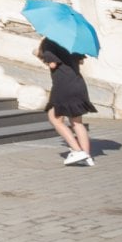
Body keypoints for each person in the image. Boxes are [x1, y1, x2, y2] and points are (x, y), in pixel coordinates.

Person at [39, 38, 96, 166]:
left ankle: (77, 150)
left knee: (55, 119)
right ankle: (87, 156)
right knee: (77, 122)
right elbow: (80, 61)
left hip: (63, 85)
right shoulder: (74, 41)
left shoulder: (49, 42)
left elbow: (52, 64)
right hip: (77, 83)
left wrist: (39, 53)